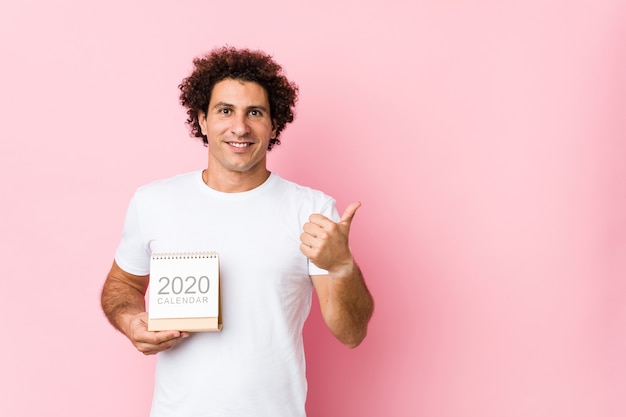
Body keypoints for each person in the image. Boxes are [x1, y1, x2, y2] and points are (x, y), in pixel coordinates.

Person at [101, 46, 374, 417]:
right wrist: (132, 320)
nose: (240, 127)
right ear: (202, 120)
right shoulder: (153, 202)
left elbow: (352, 333)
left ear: (273, 125)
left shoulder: (311, 211)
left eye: (255, 113)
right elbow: (123, 285)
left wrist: (342, 267)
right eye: (225, 110)